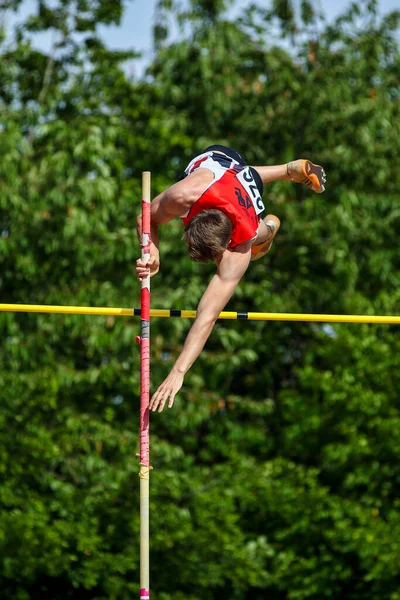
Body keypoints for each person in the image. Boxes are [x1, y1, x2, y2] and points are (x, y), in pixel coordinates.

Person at [136, 145, 326, 412]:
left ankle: (270, 227)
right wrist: (153, 254)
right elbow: (145, 218)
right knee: (240, 178)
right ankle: (287, 170)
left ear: (226, 247)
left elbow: (207, 315)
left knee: (257, 233)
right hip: (222, 161)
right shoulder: (184, 194)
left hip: (241, 198)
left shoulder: (239, 247)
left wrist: (178, 371)